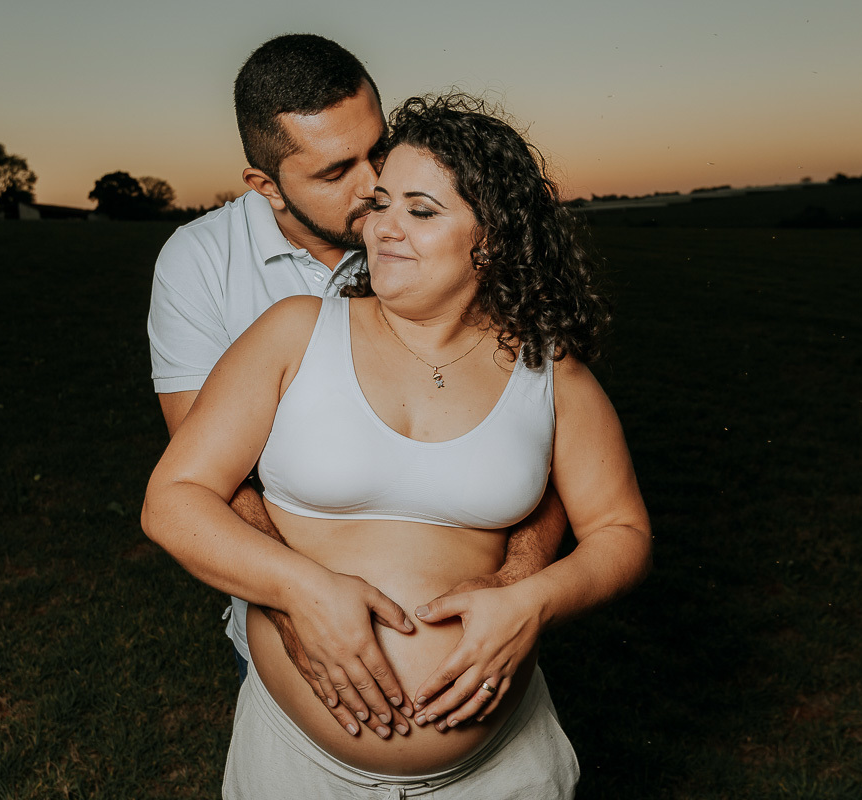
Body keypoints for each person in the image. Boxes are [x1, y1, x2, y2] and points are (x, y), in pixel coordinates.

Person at [143, 93, 651, 797]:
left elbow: (621, 532)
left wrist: (531, 601)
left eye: (421, 210)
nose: (382, 226)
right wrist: (299, 590)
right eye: (382, 203)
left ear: (492, 238)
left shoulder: (551, 373)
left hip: (498, 777)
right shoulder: (295, 333)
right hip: (298, 772)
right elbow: (174, 500)